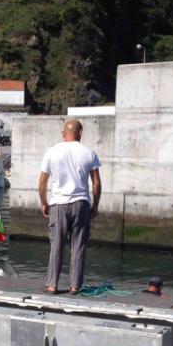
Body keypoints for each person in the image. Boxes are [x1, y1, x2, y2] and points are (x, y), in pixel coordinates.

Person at [37, 119, 102, 294]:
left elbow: (42, 181)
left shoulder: (52, 152)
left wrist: (43, 202)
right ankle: (75, 286)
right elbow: (96, 182)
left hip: (58, 203)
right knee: (78, 245)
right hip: (81, 203)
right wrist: (95, 205)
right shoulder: (89, 153)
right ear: (80, 133)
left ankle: (52, 284)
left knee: (57, 245)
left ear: (63, 133)